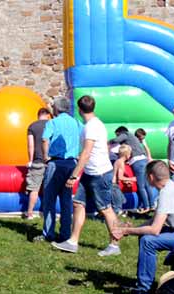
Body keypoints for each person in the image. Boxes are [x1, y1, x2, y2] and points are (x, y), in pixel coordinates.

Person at [113, 160, 174, 294]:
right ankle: (144, 283)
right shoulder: (171, 187)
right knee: (145, 236)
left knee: (148, 241)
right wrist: (135, 228)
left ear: (150, 177)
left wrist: (125, 230)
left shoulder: (167, 193)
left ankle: (143, 289)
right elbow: (154, 219)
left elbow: (155, 229)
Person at [52, 95, 121, 257]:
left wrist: (74, 176)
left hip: (99, 173)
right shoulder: (94, 124)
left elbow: (86, 153)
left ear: (79, 109)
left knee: (106, 209)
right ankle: (72, 241)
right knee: (78, 203)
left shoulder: (91, 127)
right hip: (90, 172)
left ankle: (114, 244)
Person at [34, 97, 82, 243]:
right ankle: (65, 233)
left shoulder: (52, 122)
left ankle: (48, 232)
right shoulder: (76, 122)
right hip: (71, 164)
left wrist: (45, 156)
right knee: (66, 200)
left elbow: (44, 139)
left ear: (56, 109)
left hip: (56, 162)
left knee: (49, 199)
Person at [109, 126, 156, 213]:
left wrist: (109, 142)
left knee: (141, 186)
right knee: (146, 185)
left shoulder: (125, 134)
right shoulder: (133, 138)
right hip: (143, 160)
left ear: (120, 132)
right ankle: (152, 205)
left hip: (137, 162)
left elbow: (116, 140)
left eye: (117, 134)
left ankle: (146, 207)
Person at [24, 108, 51, 220]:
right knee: (50, 189)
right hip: (51, 161)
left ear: (38, 115)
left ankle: (29, 213)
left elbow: (31, 145)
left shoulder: (32, 126)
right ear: (48, 115)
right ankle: (47, 213)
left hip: (37, 161)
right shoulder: (52, 124)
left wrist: (30, 160)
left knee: (34, 189)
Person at [112, 144, 135, 216]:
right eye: (130, 153)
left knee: (123, 200)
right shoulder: (121, 162)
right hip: (114, 185)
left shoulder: (118, 161)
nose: (130, 155)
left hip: (114, 185)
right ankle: (113, 221)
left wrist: (126, 181)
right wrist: (132, 179)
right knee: (117, 205)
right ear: (127, 154)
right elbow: (120, 177)